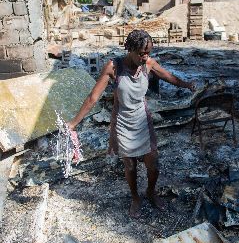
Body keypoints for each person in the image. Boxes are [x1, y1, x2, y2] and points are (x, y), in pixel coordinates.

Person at [68, 30, 195, 218]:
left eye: (148, 52)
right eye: (141, 53)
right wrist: (73, 123)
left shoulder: (148, 64)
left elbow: (169, 77)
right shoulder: (114, 67)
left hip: (142, 119)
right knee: (130, 166)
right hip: (123, 122)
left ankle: (150, 192)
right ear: (130, 49)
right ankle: (135, 197)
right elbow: (93, 97)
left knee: (153, 163)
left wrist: (186, 85)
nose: (145, 57)